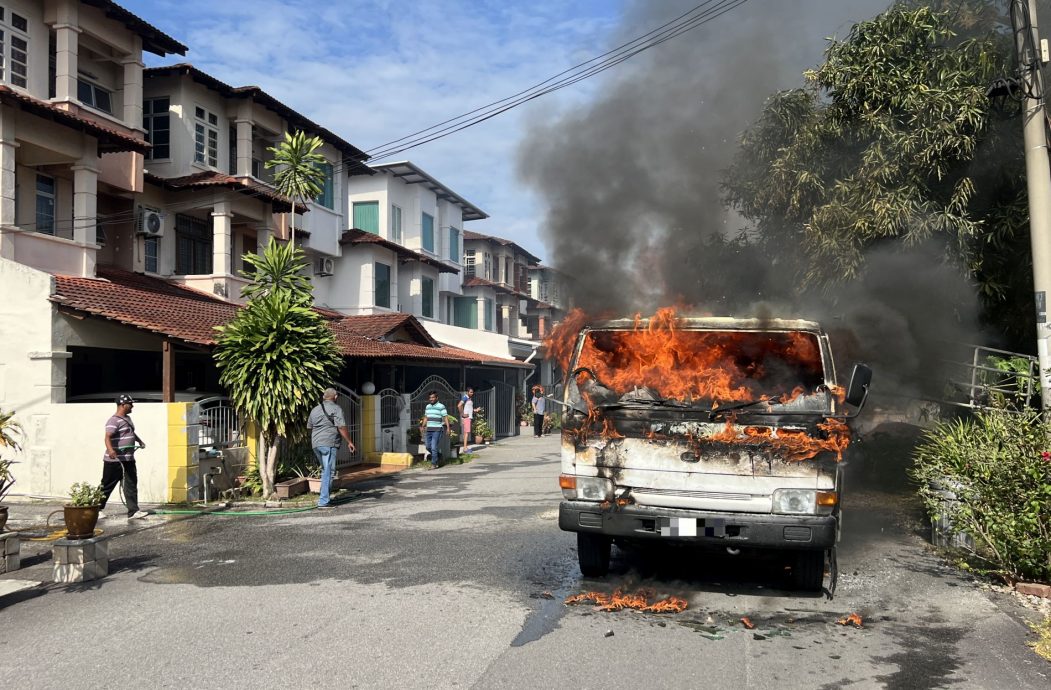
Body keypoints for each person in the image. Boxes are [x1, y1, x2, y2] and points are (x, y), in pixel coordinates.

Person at [100, 394, 149, 521]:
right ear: (122, 405)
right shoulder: (113, 420)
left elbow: (130, 432)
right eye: (130, 404)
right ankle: (96, 509)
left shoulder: (127, 418)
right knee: (107, 485)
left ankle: (133, 511)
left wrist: (139, 441)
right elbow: (107, 437)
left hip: (128, 459)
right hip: (115, 460)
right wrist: (111, 451)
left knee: (131, 484)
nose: (132, 406)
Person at [307, 388, 356, 508]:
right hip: (329, 444)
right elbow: (341, 427)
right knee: (328, 472)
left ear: (324, 397)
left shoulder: (315, 409)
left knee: (326, 471)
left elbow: (309, 426)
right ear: (336, 397)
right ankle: (323, 501)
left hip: (316, 444)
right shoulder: (336, 409)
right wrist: (350, 442)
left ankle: (325, 498)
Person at [423, 391, 451, 468]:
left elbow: (445, 417)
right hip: (429, 429)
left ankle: (434, 463)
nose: (431, 399)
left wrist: (448, 428)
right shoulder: (427, 406)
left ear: (436, 398)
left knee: (433, 446)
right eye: (430, 398)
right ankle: (439, 456)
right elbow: (426, 417)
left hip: (437, 430)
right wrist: (422, 426)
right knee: (428, 446)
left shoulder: (441, 406)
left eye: (433, 397)